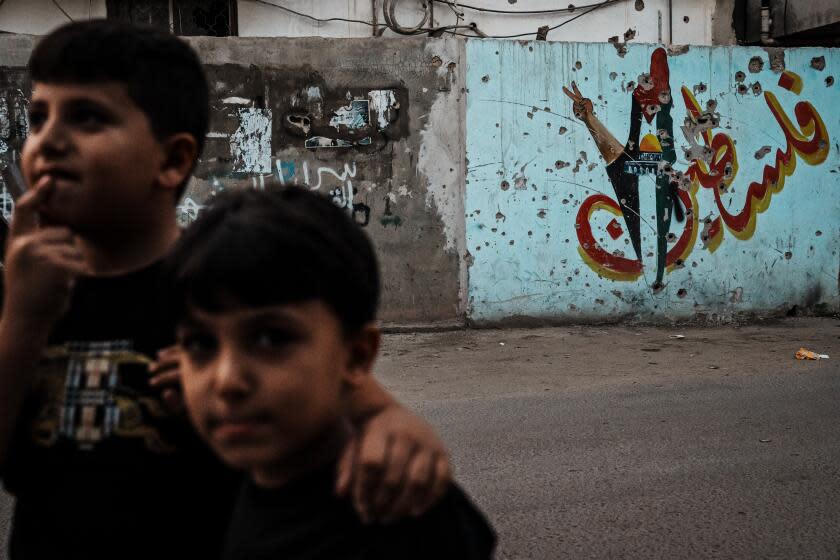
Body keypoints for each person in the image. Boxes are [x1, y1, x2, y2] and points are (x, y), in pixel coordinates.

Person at [0, 20, 450, 560]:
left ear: (171, 160)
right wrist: (22, 320)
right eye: (38, 117)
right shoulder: (21, 286)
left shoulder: (217, 283)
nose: (48, 141)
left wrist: (391, 424)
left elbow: (362, 403)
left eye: (87, 117)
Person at [165, 186, 496, 559]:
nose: (226, 380)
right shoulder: (240, 471)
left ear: (355, 357)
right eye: (200, 345)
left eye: (271, 339)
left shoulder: (394, 505)